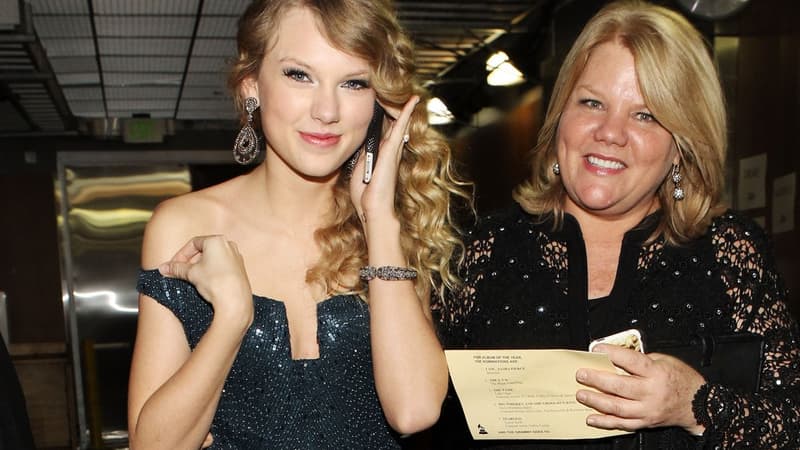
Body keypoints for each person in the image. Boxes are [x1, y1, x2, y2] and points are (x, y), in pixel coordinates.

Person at [433, 1, 800, 449]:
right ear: (560, 117)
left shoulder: (728, 252)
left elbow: (788, 423)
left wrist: (693, 403)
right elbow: (417, 414)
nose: (610, 132)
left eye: (645, 115)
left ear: (681, 146)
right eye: (591, 102)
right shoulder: (482, 251)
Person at [127, 0, 469, 448]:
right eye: (299, 75)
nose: (326, 110)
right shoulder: (184, 224)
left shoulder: (390, 229)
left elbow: (415, 410)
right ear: (252, 86)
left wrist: (380, 220)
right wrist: (231, 319)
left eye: (353, 83)